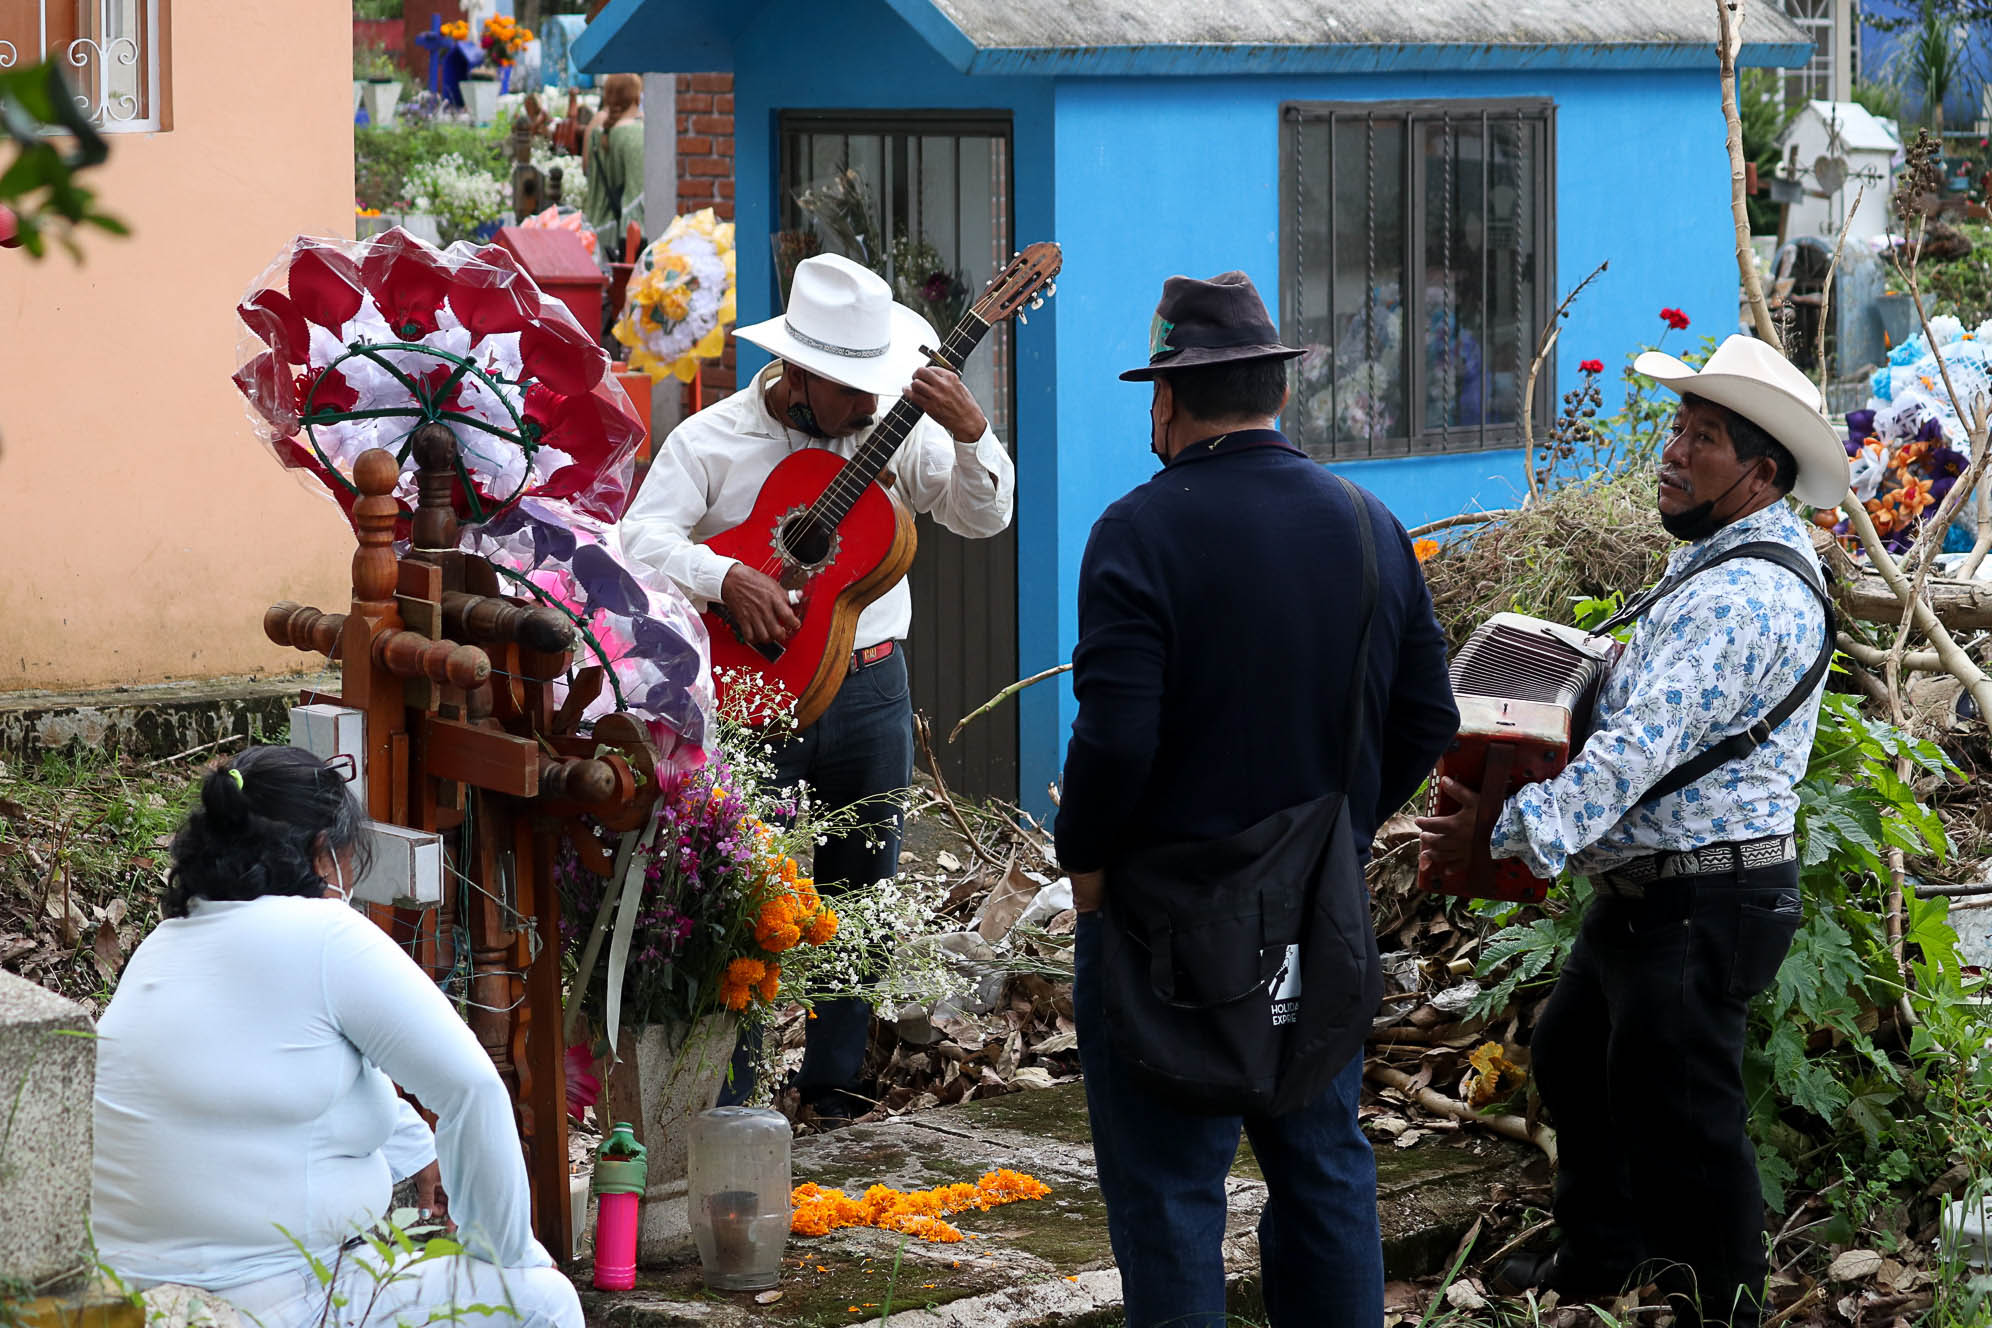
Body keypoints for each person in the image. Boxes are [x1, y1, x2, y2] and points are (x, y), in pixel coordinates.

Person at [1416, 335, 1852, 1328]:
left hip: (1704, 897)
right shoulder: (1715, 560)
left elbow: (1637, 750)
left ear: (1761, 473)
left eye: (1702, 437)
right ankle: (1600, 1262)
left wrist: (1509, 827)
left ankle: (1721, 1308)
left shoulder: (1746, 593)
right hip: (1658, 890)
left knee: (1687, 1124)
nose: (1672, 449)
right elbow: (1653, 696)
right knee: (1575, 1055)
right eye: (1676, 427)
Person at [1054, 271, 1459, 1328]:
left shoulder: (1137, 532)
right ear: (1274, 393)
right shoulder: (1371, 523)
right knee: (1323, 1164)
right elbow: (1428, 715)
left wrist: (1086, 862)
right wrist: (1338, 830)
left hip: (1161, 925)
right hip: (1317, 918)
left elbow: (1116, 735)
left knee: (1173, 1193)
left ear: (1168, 400)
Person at [621, 251, 1015, 1120]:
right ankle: (734, 1100)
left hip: (873, 691)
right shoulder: (712, 438)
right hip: (752, 698)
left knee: (861, 900)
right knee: (743, 903)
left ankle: (834, 1094)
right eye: (849, 388)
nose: (870, 404)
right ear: (799, 373)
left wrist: (971, 430)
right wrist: (725, 578)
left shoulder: (897, 427)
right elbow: (634, 542)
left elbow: (984, 518)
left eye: (876, 382)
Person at [91, 745, 580, 1328]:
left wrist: (420, 1151)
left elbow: (284, 1076)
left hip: (130, 1293)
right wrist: (509, 1260)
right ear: (322, 852)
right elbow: (473, 1089)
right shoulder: (327, 934)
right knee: (544, 1303)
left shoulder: (163, 945)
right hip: (272, 1298)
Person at [582, 73, 645, 262]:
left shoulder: (596, 131)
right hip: (622, 235)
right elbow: (637, 193)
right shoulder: (634, 133)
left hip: (595, 226)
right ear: (636, 96)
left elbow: (586, 169)